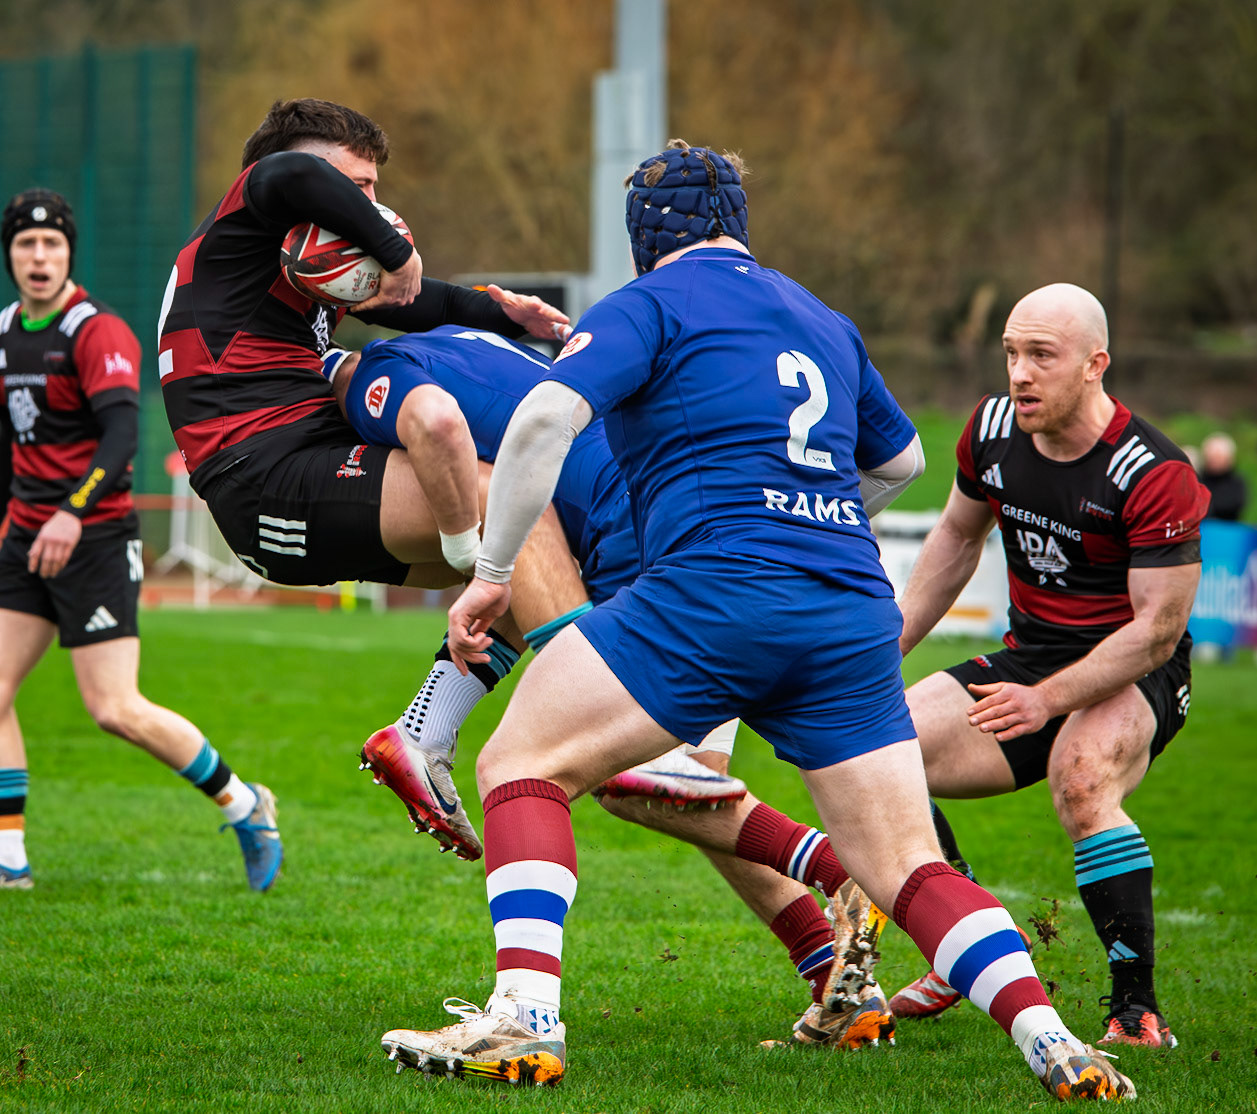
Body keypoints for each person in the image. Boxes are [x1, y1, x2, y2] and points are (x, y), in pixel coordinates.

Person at [377, 142, 1131, 1101]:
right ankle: (1050, 1038)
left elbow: (536, 425)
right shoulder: (821, 316)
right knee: (904, 864)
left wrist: (489, 575)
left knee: (519, 764)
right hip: (848, 608)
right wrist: (799, 501)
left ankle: (523, 1018)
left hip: (716, 593)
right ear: (738, 219)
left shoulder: (650, 304)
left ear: (646, 235)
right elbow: (896, 465)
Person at [333, 325, 893, 1048]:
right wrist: (431, 716)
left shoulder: (381, 380)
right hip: (669, 528)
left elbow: (471, 473)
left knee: (627, 777)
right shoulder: (455, 341)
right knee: (684, 786)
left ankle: (842, 871)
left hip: (646, 546)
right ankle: (836, 976)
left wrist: (463, 559)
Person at [156, 99, 593, 862]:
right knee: (499, 502)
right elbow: (294, 175)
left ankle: (424, 733)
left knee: (539, 558)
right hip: (265, 480)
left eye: (374, 188)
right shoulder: (249, 215)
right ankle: (609, 707)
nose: (368, 203)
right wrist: (392, 245)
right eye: (355, 186)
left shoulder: (290, 259)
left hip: (299, 463)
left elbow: (407, 302)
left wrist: (497, 310)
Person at [0, 190, 282, 893]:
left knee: (115, 709)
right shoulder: (1, 333)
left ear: (68, 254)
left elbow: (121, 437)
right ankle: (8, 860)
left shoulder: (96, 330)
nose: (38, 257)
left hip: (92, 536)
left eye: (51, 245)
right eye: (26, 246)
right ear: (10, 258)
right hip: (25, 536)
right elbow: (10, 442)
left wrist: (71, 514)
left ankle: (247, 806)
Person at [886, 282, 1208, 1053]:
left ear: (1095, 364)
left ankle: (1136, 1014)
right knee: (876, 746)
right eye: (1009, 354)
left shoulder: (1151, 471)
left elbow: (1156, 633)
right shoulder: (991, 431)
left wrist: (1045, 700)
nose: (1019, 374)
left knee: (1081, 777)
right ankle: (964, 941)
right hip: (1031, 655)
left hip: (1137, 670)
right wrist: (878, 652)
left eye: (1040, 356)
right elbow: (956, 542)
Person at [1198, 431, 1246, 521]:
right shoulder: (1198, 480)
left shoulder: (1237, 482)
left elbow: (1233, 505)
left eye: (1219, 457)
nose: (1215, 462)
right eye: (1212, 457)